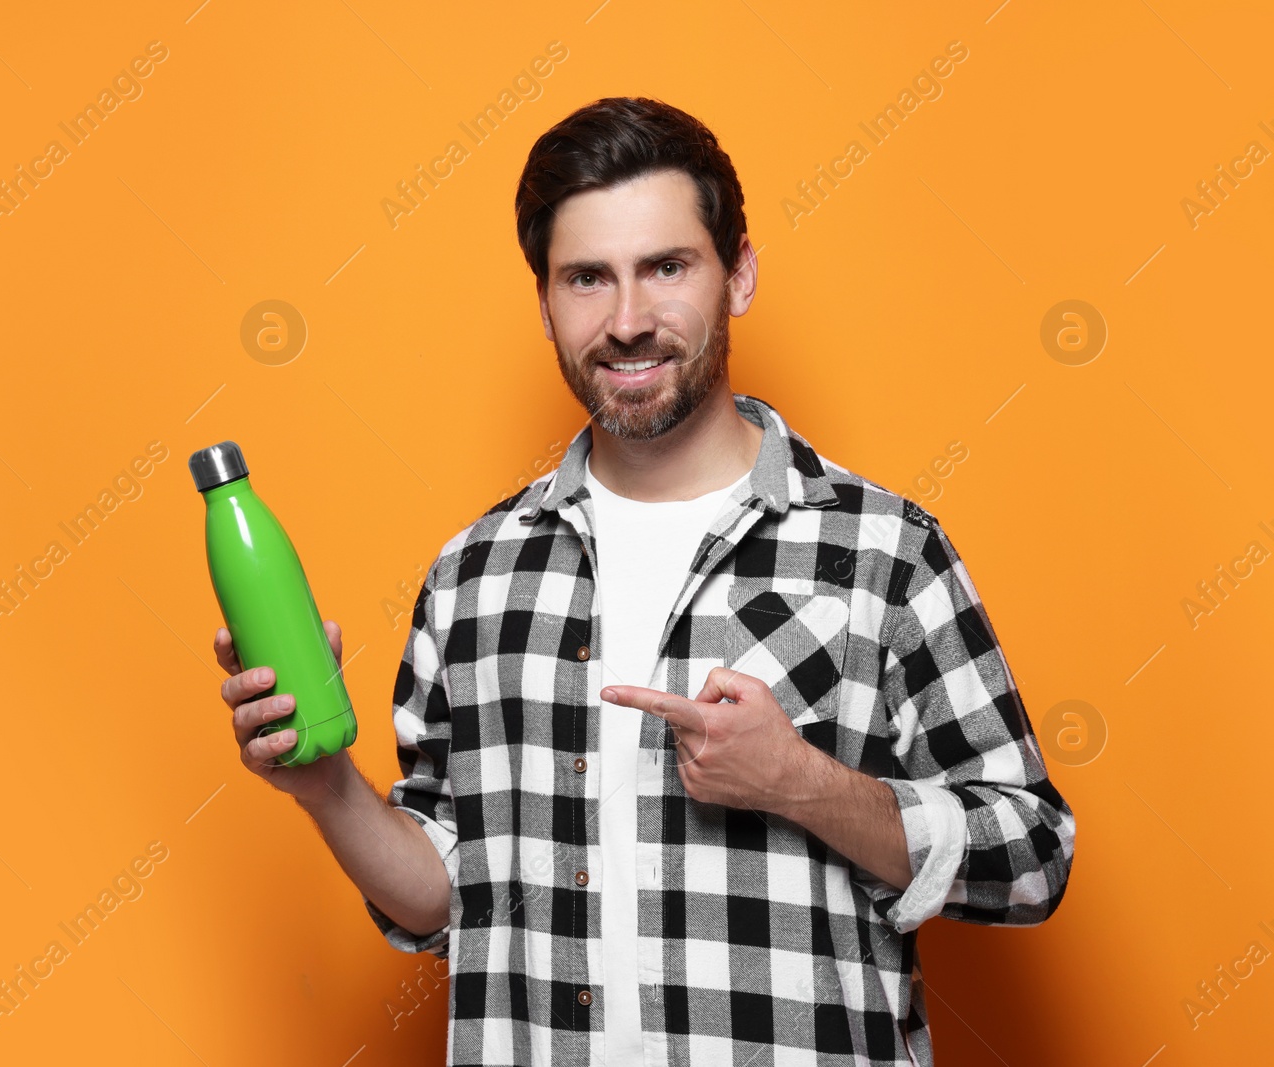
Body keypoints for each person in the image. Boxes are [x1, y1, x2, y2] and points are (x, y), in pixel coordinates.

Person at [215, 96, 1075, 1067]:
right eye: (587, 277)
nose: (626, 320)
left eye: (666, 266)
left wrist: (803, 784)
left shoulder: (879, 548)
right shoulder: (473, 575)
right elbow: (447, 893)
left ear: (737, 272)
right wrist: (324, 783)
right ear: (544, 300)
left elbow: (1031, 857)